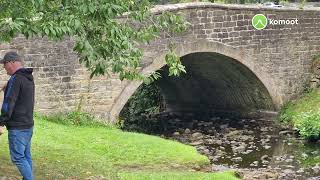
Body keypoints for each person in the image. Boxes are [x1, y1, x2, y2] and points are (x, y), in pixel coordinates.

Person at [0, 51, 35, 180]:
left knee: (18, 158)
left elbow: (9, 103)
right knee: (26, 156)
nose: (4, 68)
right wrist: (7, 85)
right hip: (28, 125)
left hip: (18, 128)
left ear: (11, 63)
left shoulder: (16, 79)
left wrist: (1, 122)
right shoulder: (27, 77)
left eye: (4, 64)